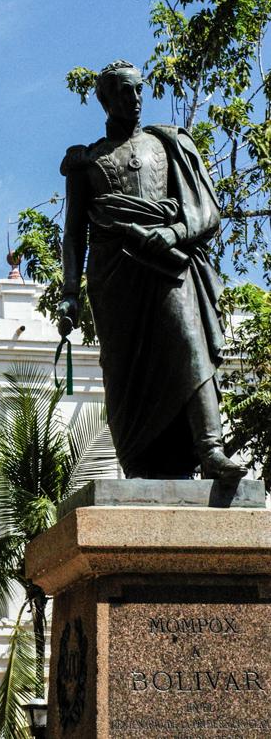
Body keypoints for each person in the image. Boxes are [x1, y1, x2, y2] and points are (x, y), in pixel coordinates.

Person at [57, 60, 247, 481]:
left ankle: (211, 448)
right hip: (115, 280)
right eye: (125, 92)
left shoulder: (169, 144)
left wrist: (175, 233)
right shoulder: (86, 163)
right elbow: (74, 235)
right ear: (106, 99)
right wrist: (71, 292)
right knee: (125, 374)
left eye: (139, 90)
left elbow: (207, 212)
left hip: (168, 266)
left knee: (188, 342)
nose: (136, 99)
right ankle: (139, 465)